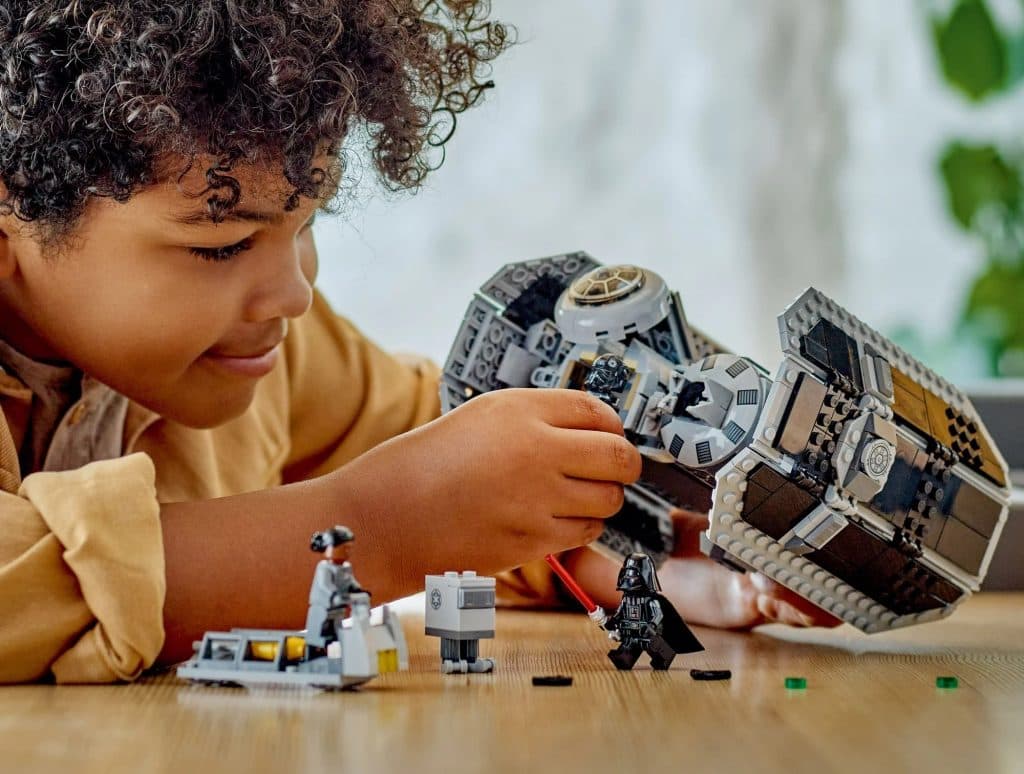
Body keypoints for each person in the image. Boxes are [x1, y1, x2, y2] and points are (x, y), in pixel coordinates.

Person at [0, 1, 835, 684]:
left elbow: (442, 457)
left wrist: (648, 544)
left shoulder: (267, 350)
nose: (294, 292)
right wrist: (380, 524)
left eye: (306, 223)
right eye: (220, 245)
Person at [304, 526, 362, 651]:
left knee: (336, 627)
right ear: (331, 547)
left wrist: (357, 589)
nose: (348, 552)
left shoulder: (346, 566)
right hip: (323, 604)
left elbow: (350, 581)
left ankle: (337, 642)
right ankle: (313, 649)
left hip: (338, 606)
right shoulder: (324, 567)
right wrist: (335, 595)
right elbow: (325, 585)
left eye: (350, 548)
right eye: (345, 548)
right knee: (318, 630)